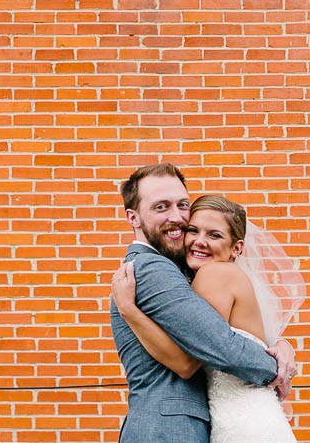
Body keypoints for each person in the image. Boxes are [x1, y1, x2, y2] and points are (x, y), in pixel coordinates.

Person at [110, 163, 298, 443]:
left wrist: (282, 346)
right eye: (161, 207)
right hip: (167, 430)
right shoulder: (152, 269)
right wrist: (275, 368)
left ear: (237, 247)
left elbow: (225, 329)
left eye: (182, 205)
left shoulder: (191, 272)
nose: (177, 217)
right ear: (133, 217)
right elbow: (216, 349)